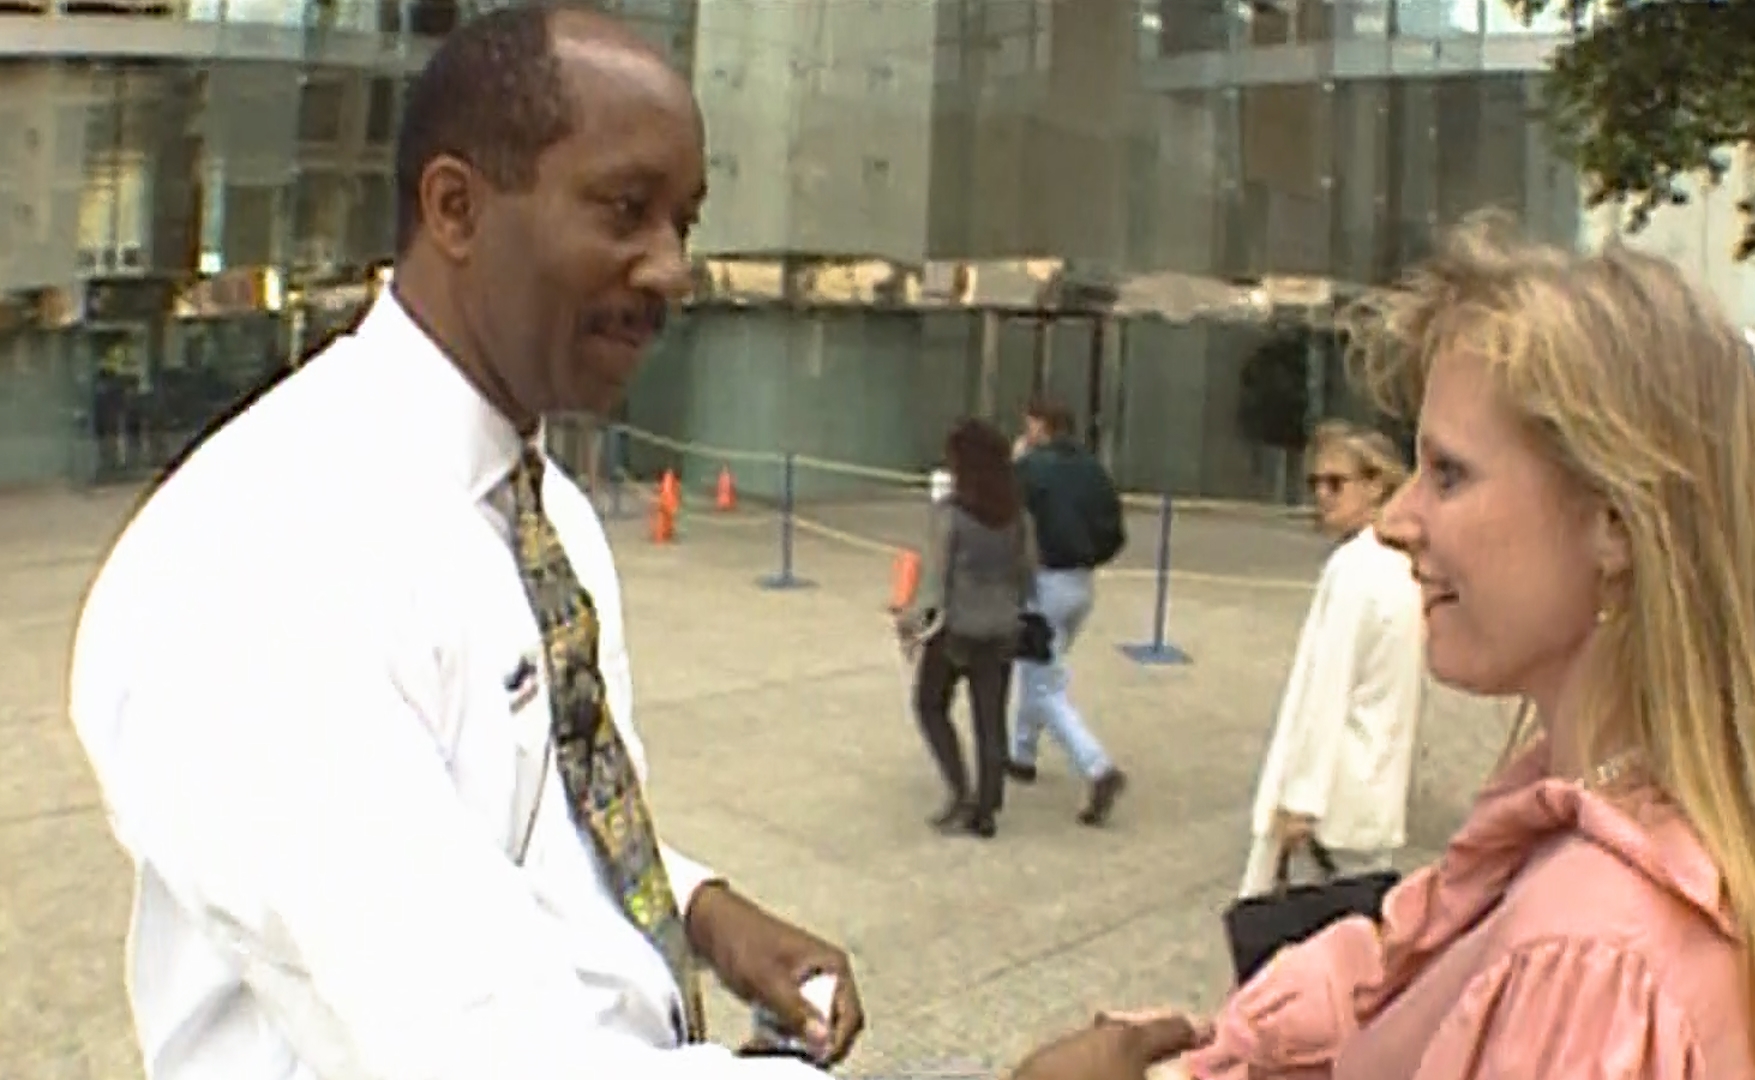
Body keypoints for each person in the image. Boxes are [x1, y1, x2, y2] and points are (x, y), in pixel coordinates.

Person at [67, 10, 865, 1079]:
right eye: (628, 211)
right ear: (455, 207)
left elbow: (511, 842)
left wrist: (703, 906)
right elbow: (479, 1044)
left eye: (686, 223)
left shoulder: (549, 517)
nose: (673, 269)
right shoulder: (268, 556)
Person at [1010, 216, 1755, 1080]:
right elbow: (1406, 983)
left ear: (1614, 523)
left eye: (1449, 474)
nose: (1400, 519)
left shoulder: (1591, 956)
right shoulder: (1581, 815)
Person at [1239, 421, 1423, 898]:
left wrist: (1300, 797)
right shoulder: (1406, 565)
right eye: (1315, 483)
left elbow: (1326, 688)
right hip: (1372, 791)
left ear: (1376, 485)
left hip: (1333, 802)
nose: (1322, 494)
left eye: (1335, 483)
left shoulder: (1354, 570)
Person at [896, 418, 1036, 839]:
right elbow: (1029, 571)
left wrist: (910, 622)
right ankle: (988, 806)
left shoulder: (951, 515)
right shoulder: (1017, 515)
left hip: (956, 628)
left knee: (930, 705)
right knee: (990, 718)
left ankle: (960, 790)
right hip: (1002, 627)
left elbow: (935, 579)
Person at [1008, 400, 1130, 825]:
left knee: (1044, 683)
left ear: (1042, 427)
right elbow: (1116, 530)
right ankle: (1021, 751)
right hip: (1082, 583)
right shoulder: (1093, 469)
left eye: (1029, 426)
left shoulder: (1032, 467)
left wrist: (1017, 462)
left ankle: (1096, 766)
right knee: (1038, 667)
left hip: (1045, 583)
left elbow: (1004, 509)